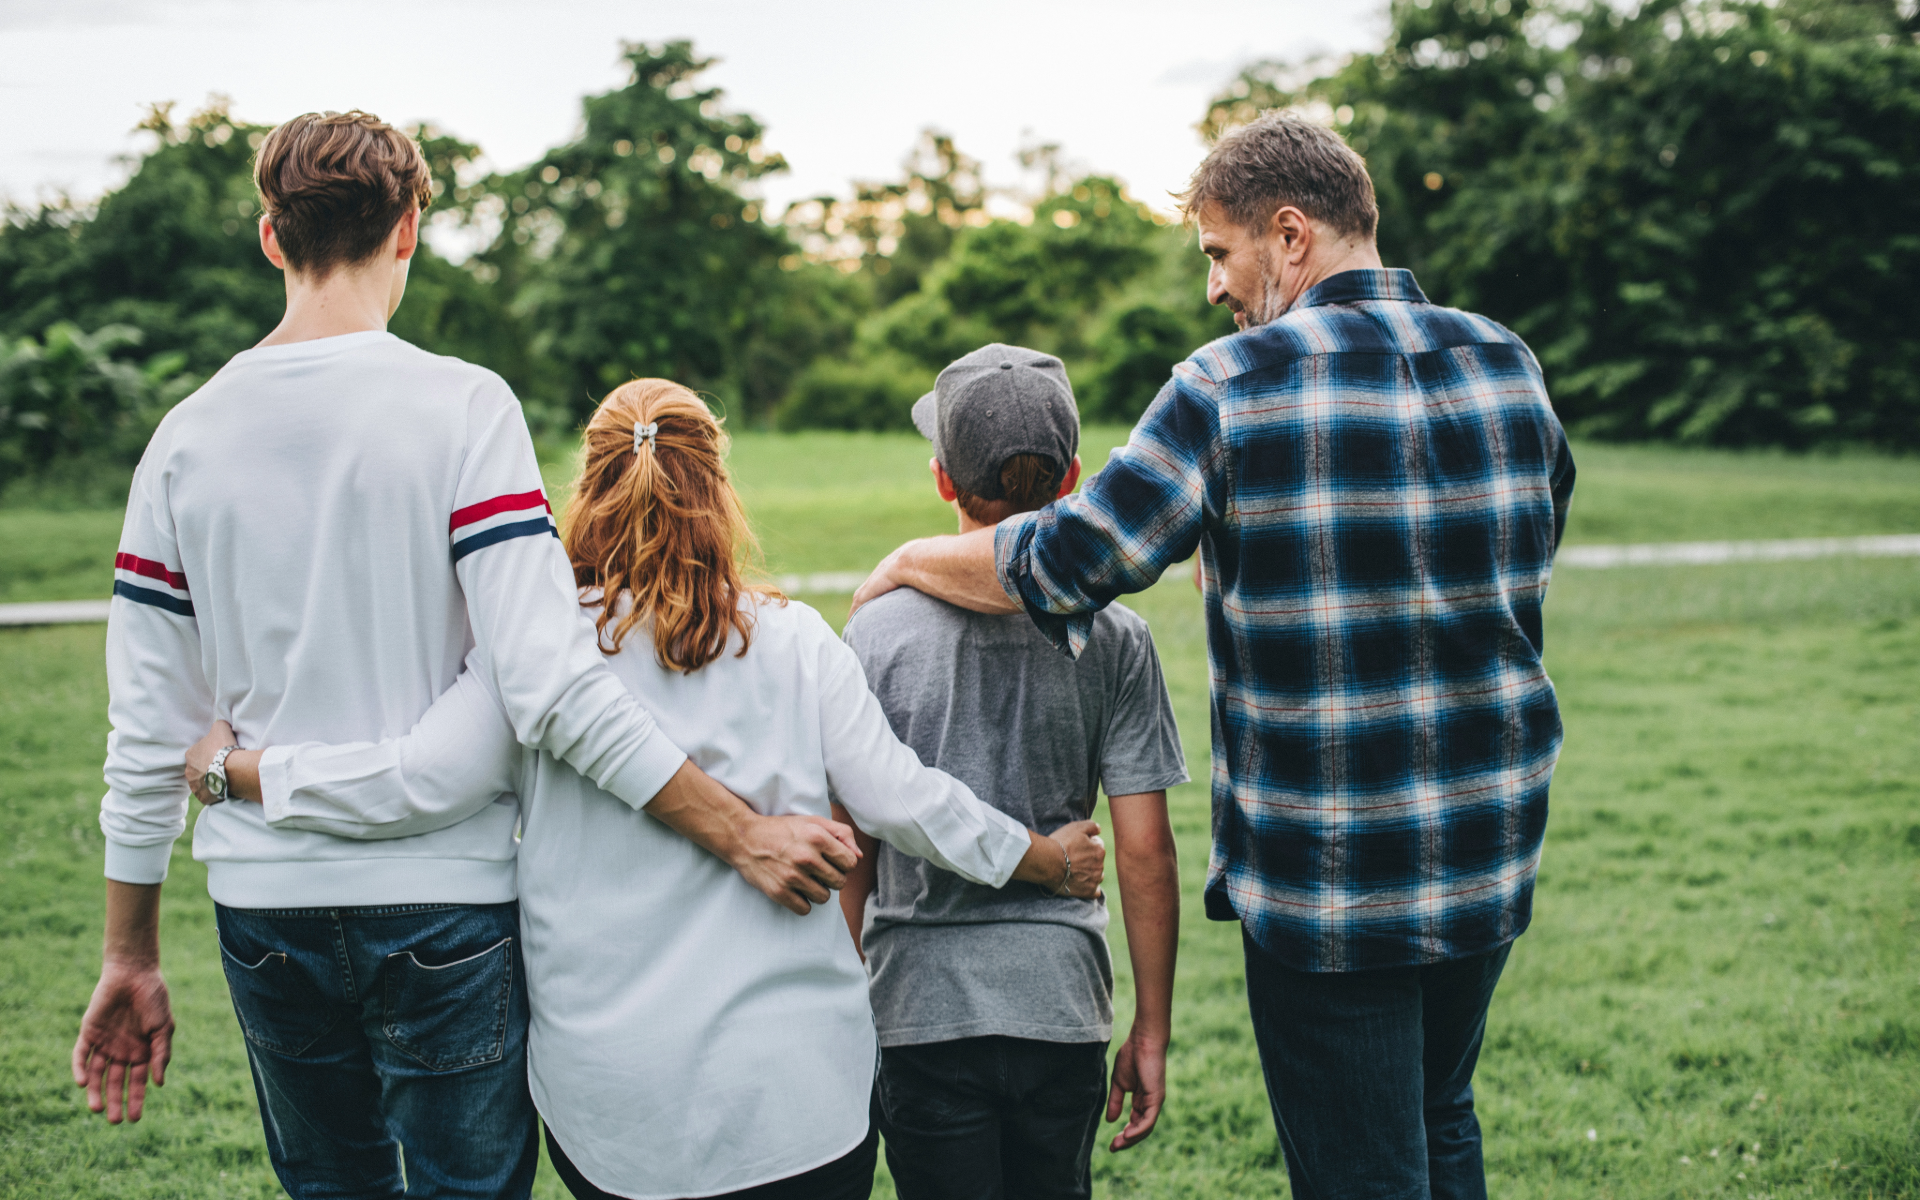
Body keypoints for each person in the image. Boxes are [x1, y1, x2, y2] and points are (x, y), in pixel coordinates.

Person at [75, 110, 857, 1199]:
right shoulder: (464, 408)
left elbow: (147, 735)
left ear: (269, 237)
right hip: (441, 908)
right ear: (406, 230)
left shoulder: (181, 440)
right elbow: (543, 684)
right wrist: (738, 831)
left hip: (264, 907)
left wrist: (129, 956)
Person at [852, 111, 1577, 1200]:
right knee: (1440, 1117)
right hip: (1486, 849)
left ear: (1290, 236)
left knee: (1362, 1171)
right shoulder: (1507, 363)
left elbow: (1070, 558)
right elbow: (1522, 548)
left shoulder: (1235, 382)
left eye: (1219, 254)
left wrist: (913, 555)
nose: (1214, 288)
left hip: (1331, 885)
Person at [184, 378, 1110, 1200]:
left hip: (612, 1110)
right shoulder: (793, 644)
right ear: (719, 490)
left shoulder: (530, 662)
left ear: (588, 488)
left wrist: (246, 770)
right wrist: (1043, 858)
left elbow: (420, 780)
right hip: (800, 1098)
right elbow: (907, 802)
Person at [838, 344, 1187, 1200]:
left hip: (919, 1016)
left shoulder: (874, 637)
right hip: (1060, 1013)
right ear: (1072, 479)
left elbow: (852, 849)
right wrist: (1151, 1024)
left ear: (943, 482)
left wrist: (836, 1008)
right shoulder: (1117, 639)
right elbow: (1144, 850)